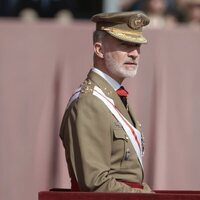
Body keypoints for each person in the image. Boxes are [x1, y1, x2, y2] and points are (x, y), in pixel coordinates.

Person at [60, 11, 152, 193]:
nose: (134, 53)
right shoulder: (90, 102)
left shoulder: (112, 97)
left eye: (137, 45)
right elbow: (96, 184)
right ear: (99, 50)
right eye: (125, 44)